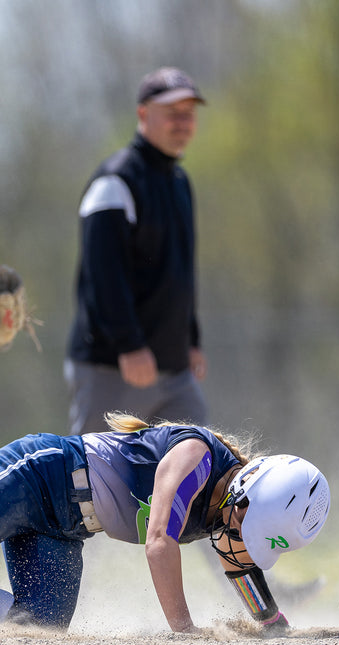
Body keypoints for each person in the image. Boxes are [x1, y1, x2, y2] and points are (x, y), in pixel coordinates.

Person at [0, 412, 331, 633]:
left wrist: (272, 623)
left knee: (37, 626)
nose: (238, 540)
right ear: (243, 491)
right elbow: (159, 542)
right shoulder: (196, 455)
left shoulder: (231, 505)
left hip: (64, 526)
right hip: (39, 475)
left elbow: (240, 560)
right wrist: (184, 633)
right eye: (245, 525)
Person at [65, 66, 208, 435]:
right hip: (113, 368)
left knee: (198, 466)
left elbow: (181, 272)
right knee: (97, 482)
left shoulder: (179, 181)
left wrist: (190, 340)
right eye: (172, 112)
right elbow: (103, 273)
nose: (183, 121)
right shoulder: (116, 179)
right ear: (143, 114)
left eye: (188, 113)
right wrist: (128, 344)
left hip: (174, 372)